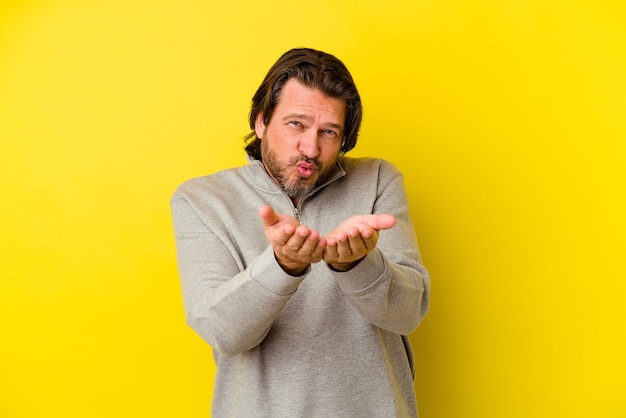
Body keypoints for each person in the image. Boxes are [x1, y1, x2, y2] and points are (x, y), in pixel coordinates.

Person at [171, 48, 430, 417]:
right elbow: (223, 331)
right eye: (296, 124)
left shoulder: (376, 181)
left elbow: (408, 312)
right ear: (261, 121)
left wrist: (356, 265)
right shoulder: (202, 200)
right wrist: (282, 265)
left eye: (329, 132)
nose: (311, 148)